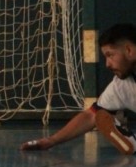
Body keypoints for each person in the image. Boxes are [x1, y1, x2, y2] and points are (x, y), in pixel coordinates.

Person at [20, 23, 136, 155]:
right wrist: (51, 141)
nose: (107, 64)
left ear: (129, 50)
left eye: (110, 55)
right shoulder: (121, 86)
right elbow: (91, 116)